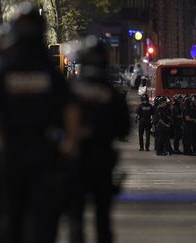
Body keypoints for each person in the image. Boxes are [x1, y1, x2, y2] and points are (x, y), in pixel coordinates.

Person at [0, 2, 80, 243]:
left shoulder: (4, 72)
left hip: (10, 156)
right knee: (44, 221)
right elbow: (71, 110)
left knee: (12, 221)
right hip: (45, 156)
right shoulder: (51, 72)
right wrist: (71, 145)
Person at [66, 37, 130, 243]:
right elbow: (124, 129)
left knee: (75, 216)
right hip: (102, 159)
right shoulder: (111, 91)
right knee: (103, 218)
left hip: (74, 158)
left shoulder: (70, 89)